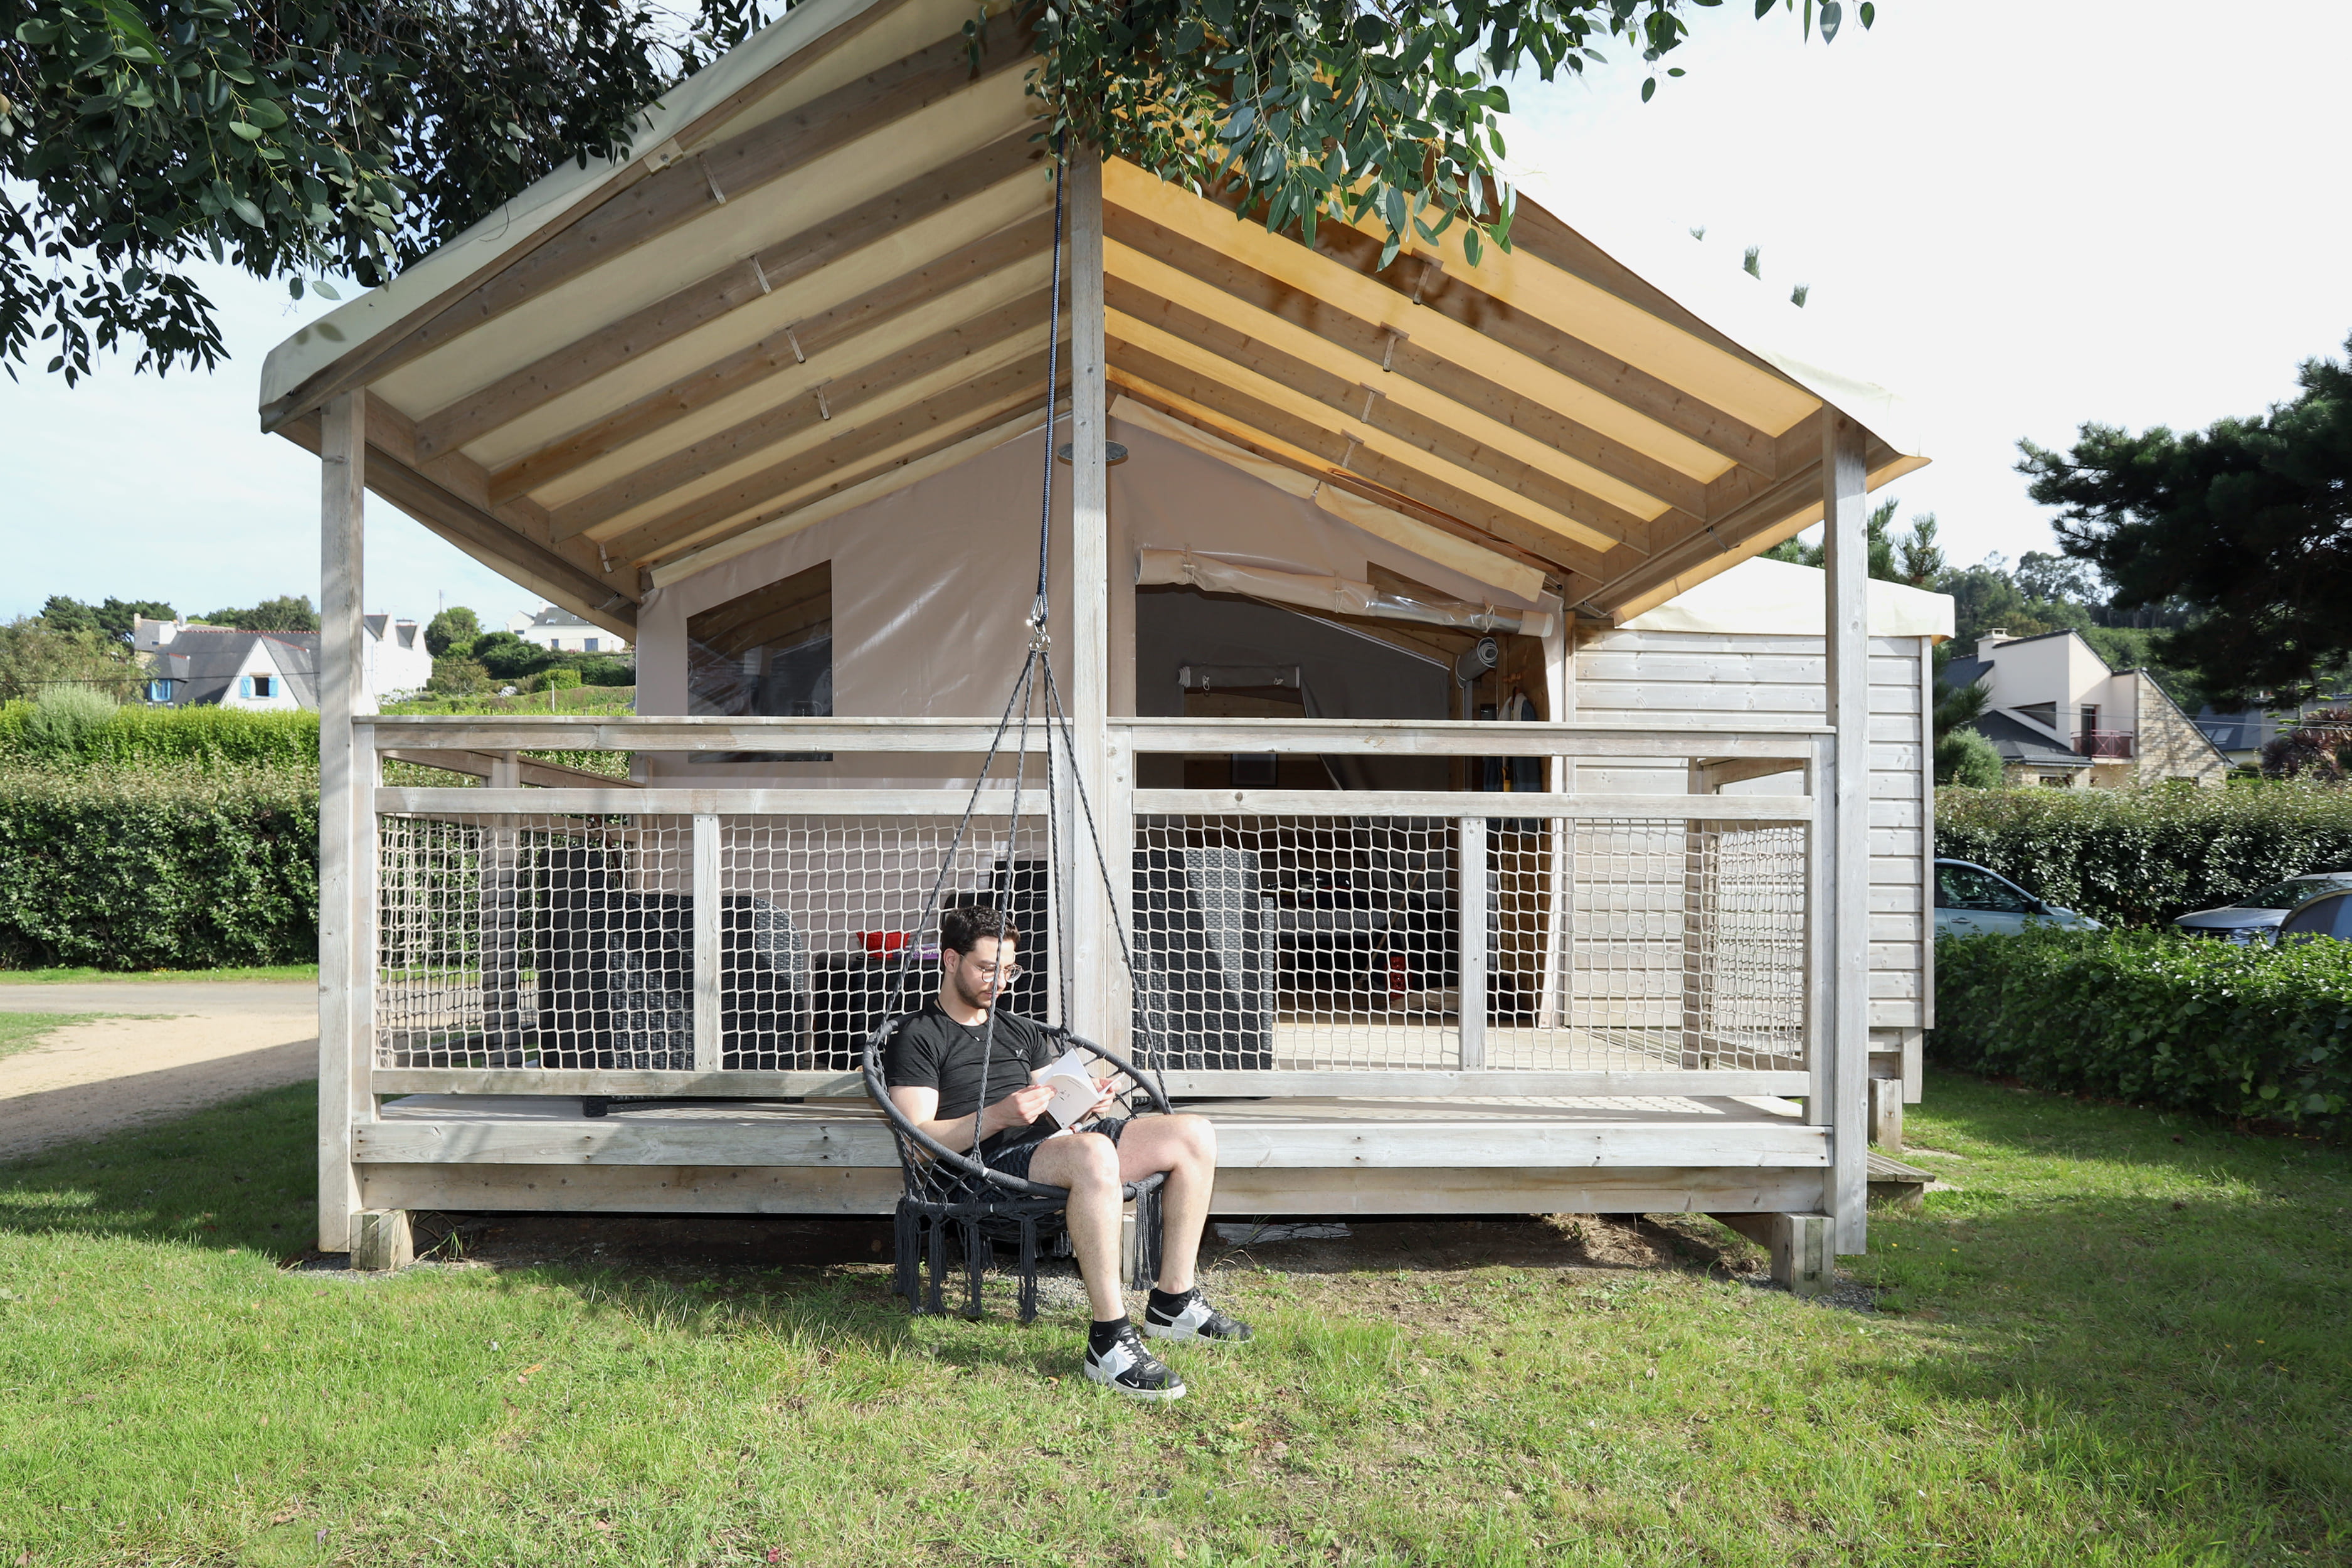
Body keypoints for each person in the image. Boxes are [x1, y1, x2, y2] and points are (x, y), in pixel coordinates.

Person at [883, 904, 1250, 1400]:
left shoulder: (1019, 1030)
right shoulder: (919, 1036)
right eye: (988, 969)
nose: (1000, 982)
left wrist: (1084, 1103)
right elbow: (918, 1144)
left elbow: (1058, 1110)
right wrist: (998, 1115)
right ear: (951, 960)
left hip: (1050, 1149)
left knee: (1193, 1134)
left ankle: (1173, 1302)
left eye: (1009, 970)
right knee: (1094, 1154)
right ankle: (1109, 1341)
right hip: (984, 1170)